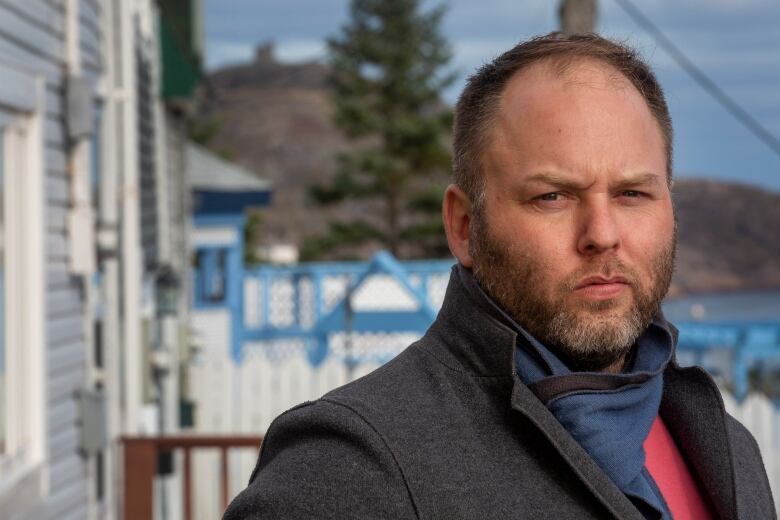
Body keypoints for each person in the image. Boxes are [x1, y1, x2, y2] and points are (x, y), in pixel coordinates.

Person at [224, 33, 775, 520]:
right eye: (552, 196)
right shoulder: (350, 465)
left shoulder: (728, 450)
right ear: (464, 227)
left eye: (633, 193)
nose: (602, 233)